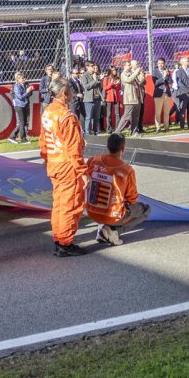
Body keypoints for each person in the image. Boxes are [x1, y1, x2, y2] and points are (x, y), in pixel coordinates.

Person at [40, 77, 88, 257]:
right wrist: (82, 171)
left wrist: (47, 160)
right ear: (63, 93)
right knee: (71, 204)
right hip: (67, 165)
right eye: (70, 91)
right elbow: (74, 147)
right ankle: (65, 243)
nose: (73, 94)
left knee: (59, 204)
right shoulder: (66, 116)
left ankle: (60, 238)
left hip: (54, 163)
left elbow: (43, 142)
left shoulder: (47, 112)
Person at [85, 132, 150, 246]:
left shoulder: (92, 160)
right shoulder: (127, 170)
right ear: (123, 149)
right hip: (112, 215)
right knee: (146, 210)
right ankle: (113, 231)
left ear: (108, 146)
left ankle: (106, 228)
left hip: (91, 211)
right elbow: (132, 198)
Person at [119, 60, 146, 135]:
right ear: (124, 66)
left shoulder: (132, 73)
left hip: (137, 96)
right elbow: (128, 80)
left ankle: (134, 131)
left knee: (136, 116)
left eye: (130, 65)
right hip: (130, 98)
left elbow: (140, 82)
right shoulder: (123, 74)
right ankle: (117, 131)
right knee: (126, 116)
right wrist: (135, 73)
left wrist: (141, 73)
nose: (130, 66)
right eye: (128, 65)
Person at [152, 58, 173, 132]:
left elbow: (171, 81)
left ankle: (166, 127)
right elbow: (156, 82)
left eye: (162, 63)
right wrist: (163, 76)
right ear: (157, 64)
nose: (161, 65)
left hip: (166, 93)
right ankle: (158, 127)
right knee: (158, 112)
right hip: (158, 94)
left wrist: (167, 75)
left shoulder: (167, 71)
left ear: (164, 64)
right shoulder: (155, 72)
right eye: (159, 63)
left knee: (166, 112)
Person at [174, 56, 189, 130]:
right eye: (187, 61)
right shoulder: (179, 72)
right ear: (182, 63)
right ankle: (182, 126)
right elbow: (179, 82)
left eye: (188, 60)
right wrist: (187, 90)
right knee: (182, 110)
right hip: (184, 93)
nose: (188, 62)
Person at [10, 72, 31, 143]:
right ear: (18, 79)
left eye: (24, 77)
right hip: (19, 105)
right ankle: (22, 138)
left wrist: (29, 91)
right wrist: (27, 92)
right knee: (22, 122)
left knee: (23, 122)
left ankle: (12, 136)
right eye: (22, 78)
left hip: (23, 105)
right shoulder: (16, 86)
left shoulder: (24, 85)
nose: (24, 79)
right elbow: (20, 97)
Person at [82, 63, 102, 135]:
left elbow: (100, 86)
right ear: (88, 67)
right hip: (89, 100)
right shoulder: (85, 76)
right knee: (89, 117)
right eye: (92, 67)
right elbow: (86, 87)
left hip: (97, 98)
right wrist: (94, 80)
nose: (94, 68)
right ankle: (87, 132)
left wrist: (99, 80)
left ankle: (96, 131)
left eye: (94, 67)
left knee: (97, 116)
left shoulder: (96, 75)